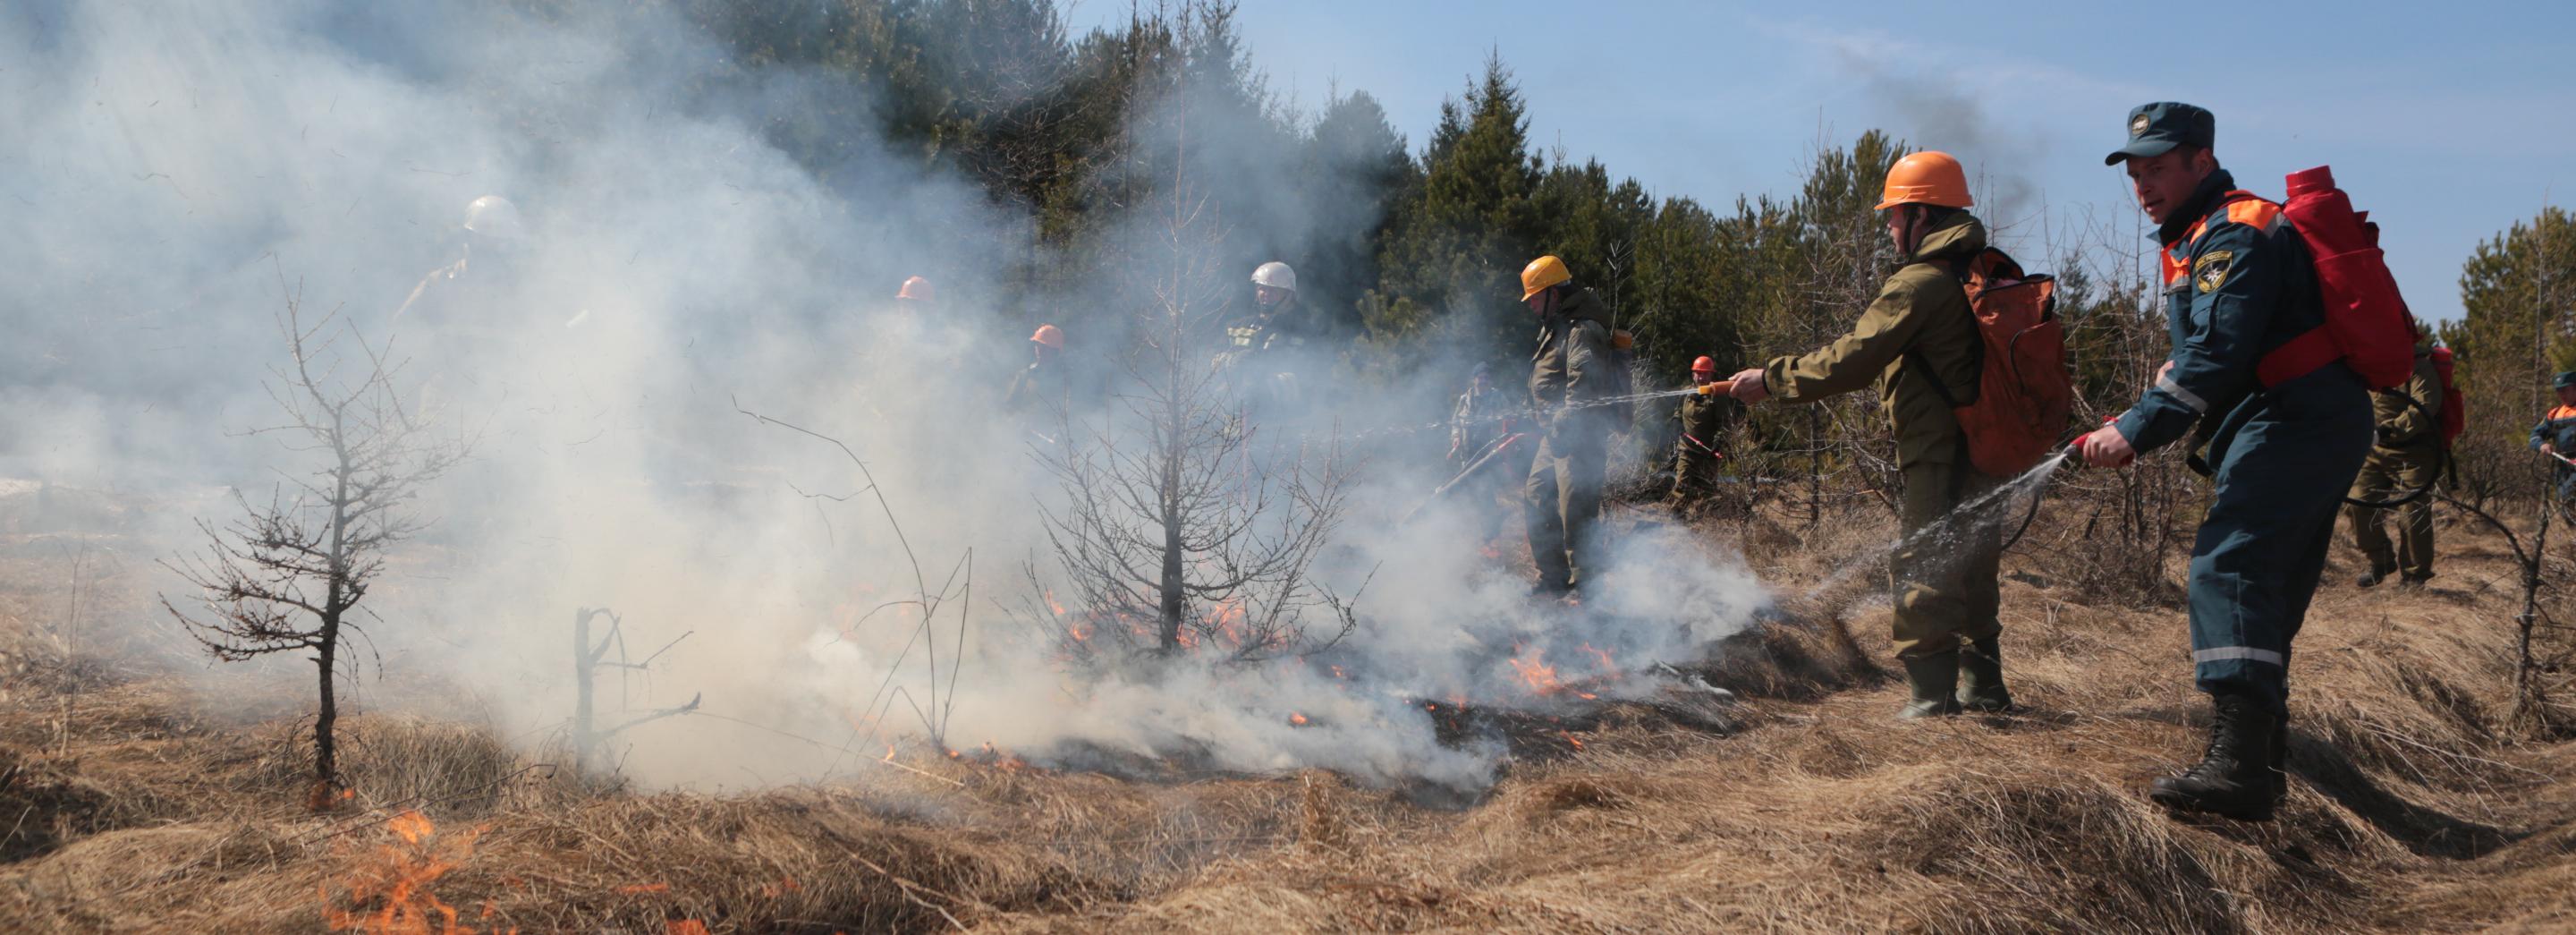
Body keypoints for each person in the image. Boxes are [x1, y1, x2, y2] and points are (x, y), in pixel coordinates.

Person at [2077, 102, 2373, 821]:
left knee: (2228, 568)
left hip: (2297, 418)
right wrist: (2150, 402)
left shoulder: (2233, 233)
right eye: (2136, 171)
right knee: (2263, 588)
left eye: (2159, 168)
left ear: (2201, 162)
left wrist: (2137, 431)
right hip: (2303, 417)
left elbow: (2217, 354)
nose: (2144, 183)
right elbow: (2214, 350)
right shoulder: (2201, 235)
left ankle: (2237, 767)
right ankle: (2262, 771)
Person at [1724, 150, 2005, 718]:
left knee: (1923, 565)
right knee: (1973, 566)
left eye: (1896, 215)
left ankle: (1931, 702)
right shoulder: (1985, 269)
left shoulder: (1920, 283)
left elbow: (1852, 359)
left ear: (1924, 215)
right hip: (1990, 445)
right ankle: (1986, 692)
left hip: (1939, 449)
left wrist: (1771, 380)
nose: (1890, 226)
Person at [1521, 255, 1618, 599]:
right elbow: (1547, 380)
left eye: (1534, 297)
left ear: (1554, 293)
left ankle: (1586, 590)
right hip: (1557, 437)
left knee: (1575, 510)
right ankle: (1553, 579)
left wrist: (1560, 420)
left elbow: (1585, 386)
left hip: (1581, 437)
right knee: (1536, 497)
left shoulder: (1583, 330)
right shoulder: (1555, 328)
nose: (1531, 305)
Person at [2347, 322, 2443, 587]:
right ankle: (2381, 561)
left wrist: (2389, 430)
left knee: (2413, 515)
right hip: (2375, 452)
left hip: (2414, 455)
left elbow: (2426, 405)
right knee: (2358, 503)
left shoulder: (2419, 365)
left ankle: (2414, 576)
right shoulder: (2369, 363)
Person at [1449, 362, 1519, 545]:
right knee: (1473, 492)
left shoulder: (1498, 398)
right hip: (1469, 452)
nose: (1483, 381)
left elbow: (1510, 418)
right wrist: (1456, 437)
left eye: (1487, 378)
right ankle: (1491, 523)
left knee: (1484, 491)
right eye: (1480, 377)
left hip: (1490, 454)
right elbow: (1456, 421)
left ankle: (1490, 535)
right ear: (1474, 380)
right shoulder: (1465, 399)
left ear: (1491, 380)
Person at [1667, 356, 1730, 512]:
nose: (1701, 377)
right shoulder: (1686, 393)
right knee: (1681, 486)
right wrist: (1676, 423)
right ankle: (1676, 520)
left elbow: (1724, 424)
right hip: (1686, 450)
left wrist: (1718, 444)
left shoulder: (1718, 396)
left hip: (1708, 453)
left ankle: (1707, 525)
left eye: (1705, 374)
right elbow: (1678, 412)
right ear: (1693, 374)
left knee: (1707, 493)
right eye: (1698, 373)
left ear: (1711, 375)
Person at [2530, 371, 2576, 500]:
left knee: (2570, 492)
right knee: (2563, 500)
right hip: (2563, 465)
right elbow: (2535, 435)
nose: (2562, 394)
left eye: (2565, 390)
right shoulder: (2554, 414)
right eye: (2559, 391)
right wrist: (2541, 445)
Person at [1003, 324, 1066, 417]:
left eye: (1045, 348)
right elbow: (1010, 407)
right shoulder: (1024, 375)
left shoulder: (1065, 379)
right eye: (1038, 346)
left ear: (1055, 351)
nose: (1040, 350)